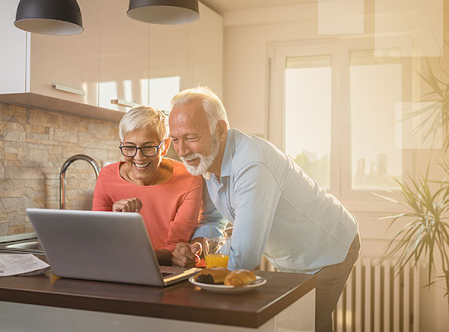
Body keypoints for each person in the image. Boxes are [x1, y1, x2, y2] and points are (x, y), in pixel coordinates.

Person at [168, 86, 360, 332]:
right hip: (291, 255)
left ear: (220, 130)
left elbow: (244, 256)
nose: (182, 151)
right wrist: (201, 245)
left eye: (191, 138)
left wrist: (197, 275)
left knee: (305, 325)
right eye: (175, 139)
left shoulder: (251, 163)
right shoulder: (207, 160)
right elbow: (215, 219)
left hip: (327, 248)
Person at [92, 105, 204, 266]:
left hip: (166, 272)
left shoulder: (189, 179)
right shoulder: (106, 177)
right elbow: (98, 241)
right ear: (122, 144)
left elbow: (175, 249)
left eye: (148, 147)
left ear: (164, 146)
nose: (139, 157)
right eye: (130, 147)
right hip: (116, 269)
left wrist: (126, 253)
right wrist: (115, 222)